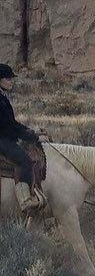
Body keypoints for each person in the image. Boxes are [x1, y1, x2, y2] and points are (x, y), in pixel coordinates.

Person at [0, 63, 43, 212]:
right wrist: (26, 134)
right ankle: (25, 200)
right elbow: (6, 124)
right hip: (2, 141)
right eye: (8, 78)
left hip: (5, 138)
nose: (11, 81)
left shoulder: (2, 98)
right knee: (25, 161)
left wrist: (27, 131)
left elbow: (11, 123)